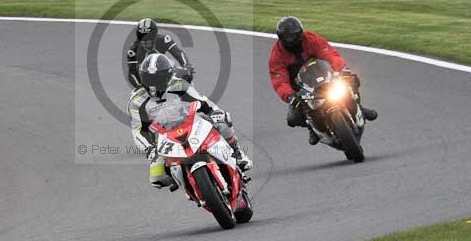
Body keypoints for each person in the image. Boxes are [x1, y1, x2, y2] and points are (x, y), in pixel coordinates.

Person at [128, 53, 252, 189]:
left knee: (223, 120)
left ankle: (237, 154)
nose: (154, 83)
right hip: (163, 138)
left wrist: (215, 112)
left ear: (168, 75)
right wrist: (149, 149)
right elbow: (138, 130)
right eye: (150, 78)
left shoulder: (179, 84)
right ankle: (184, 182)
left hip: (190, 123)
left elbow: (203, 102)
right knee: (156, 178)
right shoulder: (137, 100)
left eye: (158, 78)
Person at [268, 16, 378, 145]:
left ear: (300, 33)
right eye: (287, 37)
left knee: (351, 79)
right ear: (280, 37)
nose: (290, 40)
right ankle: (312, 127)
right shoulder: (276, 55)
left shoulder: (312, 39)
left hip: (325, 76)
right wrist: (290, 95)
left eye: (293, 36)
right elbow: (279, 80)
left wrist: (342, 69)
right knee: (293, 118)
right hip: (301, 87)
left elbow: (330, 54)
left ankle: (359, 107)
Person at [126, 18, 194, 88]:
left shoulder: (163, 39)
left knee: (187, 77)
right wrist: (139, 86)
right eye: (143, 42)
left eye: (148, 42)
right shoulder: (133, 50)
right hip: (145, 79)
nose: (146, 45)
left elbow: (178, 53)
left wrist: (187, 65)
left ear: (154, 36)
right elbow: (132, 73)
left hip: (163, 72)